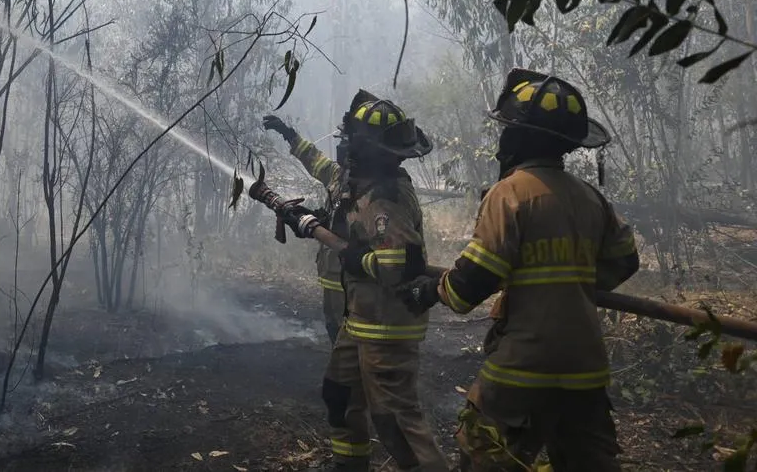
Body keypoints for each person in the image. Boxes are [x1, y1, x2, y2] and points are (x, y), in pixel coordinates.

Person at [396, 68, 639, 472]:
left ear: (522, 138)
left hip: (523, 366)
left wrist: (429, 291)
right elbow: (626, 260)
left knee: (481, 453)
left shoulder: (509, 193)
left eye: (508, 130)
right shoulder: (590, 197)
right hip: (585, 367)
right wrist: (572, 287)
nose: (502, 141)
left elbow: (470, 284)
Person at [278, 91, 448, 472]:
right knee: (340, 397)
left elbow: (398, 268)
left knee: (395, 421)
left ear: (371, 152)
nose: (345, 150)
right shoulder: (360, 185)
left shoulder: (386, 198)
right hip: (359, 322)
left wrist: (355, 257)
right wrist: (292, 139)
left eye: (352, 144)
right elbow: (321, 168)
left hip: (387, 327)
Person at [262, 113, 348, 342]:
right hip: (333, 273)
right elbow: (313, 157)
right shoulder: (339, 175)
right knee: (335, 329)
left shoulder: (371, 189)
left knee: (351, 336)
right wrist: (288, 134)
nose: (341, 147)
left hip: (354, 278)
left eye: (346, 141)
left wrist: (315, 223)